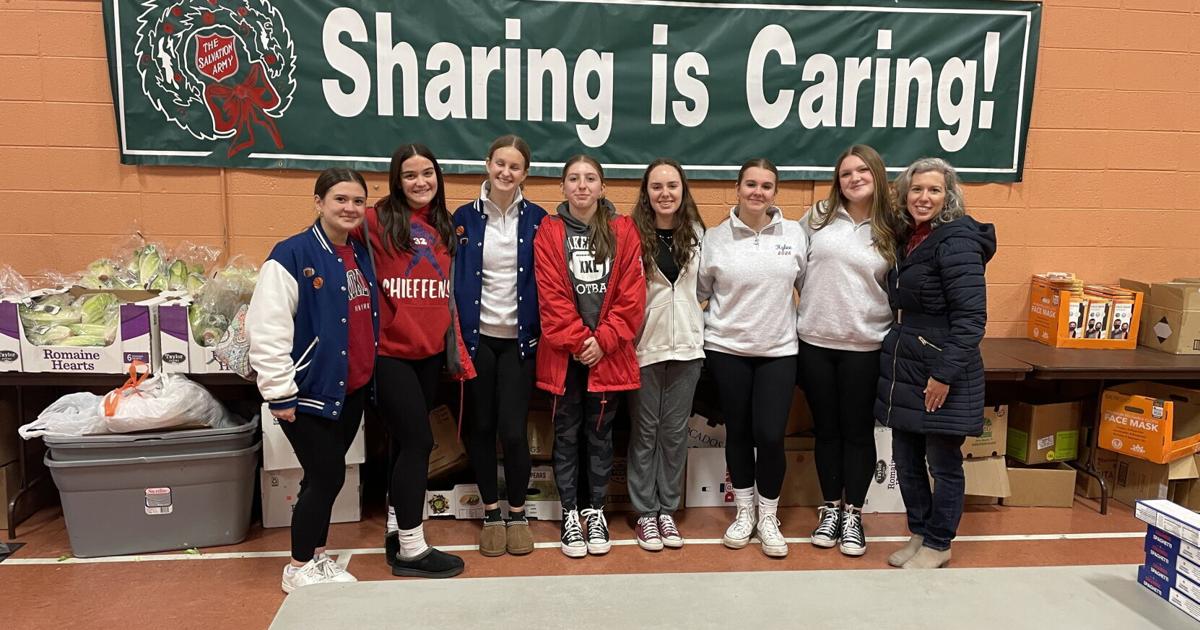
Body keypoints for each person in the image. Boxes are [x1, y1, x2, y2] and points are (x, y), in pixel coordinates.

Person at [247, 168, 378, 593]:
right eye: (340, 199)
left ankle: (316, 558)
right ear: (319, 202)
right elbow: (267, 330)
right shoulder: (292, 255)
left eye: (358, 201)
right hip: (307, 393)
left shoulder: (358, 253)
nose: (350, 208)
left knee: (320, 477)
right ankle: (298, 565)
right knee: (327, 476)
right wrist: (280, 393)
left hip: (349, 390)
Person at [358, 144, 475, 578]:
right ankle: (411, 548)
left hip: (429, 356)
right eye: (410, 175)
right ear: (396, 179)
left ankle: (395, 528)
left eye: (428, 173)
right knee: (421, 443)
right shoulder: (374, 220)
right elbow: (328, 235)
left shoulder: (444, 225)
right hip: (389, 355)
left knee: (405, 444)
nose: (421, 182)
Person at [876, 157, 996, 570]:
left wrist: (943, 374)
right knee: (906, 460)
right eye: (916, 189)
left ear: (948, 196)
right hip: (907, 361)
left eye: (934, 190)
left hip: (942, 365)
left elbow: (971, 319)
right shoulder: (911, 237)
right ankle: (920, 532)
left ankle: (940, 541)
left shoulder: (958, 240)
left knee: (942, 463)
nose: (923, 197)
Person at [533, 154, 645, 558]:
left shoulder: (624, 230)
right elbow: (550, 296)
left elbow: (632, 294)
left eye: (590, 178)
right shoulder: (548, 232)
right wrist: (581, 341)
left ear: (602, 187)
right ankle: (570, 514)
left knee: (600, 437)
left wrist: (605, 340)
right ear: (562, 187)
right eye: (574, 179)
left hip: (607, 357)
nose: (582, 185)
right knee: (565, 436)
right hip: (565, 357)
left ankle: (595, 512)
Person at [697, 158, 807, 558]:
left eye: (766, 186)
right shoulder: (715, 238)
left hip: (779, 351)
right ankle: (744, 512)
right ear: (738, 188)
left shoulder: (794, 234)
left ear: (775, 192)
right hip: (728, 351)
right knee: (739, 433)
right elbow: (701, 291)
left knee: (771, 435)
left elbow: (807, 286)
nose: (757, 192)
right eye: (750, 185)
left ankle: (768, 516)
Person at [796, 145, 900, 557]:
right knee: (827, 432)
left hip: (866, 346)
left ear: (876, 174)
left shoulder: (893, 226)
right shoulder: (818, 217)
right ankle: (830, 509)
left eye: (861, 171)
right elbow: (796, 270)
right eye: (845, 174)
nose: (853, 178)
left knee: (857, 433)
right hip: (816, 343)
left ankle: (854, 514)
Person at [453, 135, 548, 557]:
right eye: (500, 164)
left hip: (520, 342)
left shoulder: (540, 219)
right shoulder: (464, 218)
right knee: (481, 427)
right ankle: (491, 512)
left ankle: (517, 512)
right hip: (477, 341)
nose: (506, 172)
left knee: (513, 432)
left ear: (525, 173)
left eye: (515, 167)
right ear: (487, 165)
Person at [627, 158, 706, 551]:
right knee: (645, 433)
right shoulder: (630, 235)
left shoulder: (696, 234)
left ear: (682, 190)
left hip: (688, 349)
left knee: (674, 434)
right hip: (644, 348)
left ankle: (666, 512)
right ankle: (645, 513)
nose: (665, 193)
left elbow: (705, 289)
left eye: (672, 185)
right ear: (646, 193)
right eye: (656, 187)